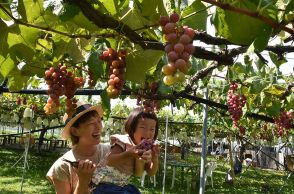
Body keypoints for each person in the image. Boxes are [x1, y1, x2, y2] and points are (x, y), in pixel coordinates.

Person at [92, 107, 160, 194]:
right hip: (104, 184)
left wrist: (155, 157)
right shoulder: (123, 142)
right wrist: (129, 154)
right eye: (143, 127)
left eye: (152, 129)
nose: (148, 133)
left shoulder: (145, 148)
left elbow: (150, 172)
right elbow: (109, 160)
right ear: (132, 128)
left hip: (121, 185)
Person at [46, 102, 110, 194]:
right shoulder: (63, 166)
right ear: (75, 131)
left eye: (99, 121)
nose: (99, 127)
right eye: (91, 123)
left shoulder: (109, 151)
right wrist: (83, 180)